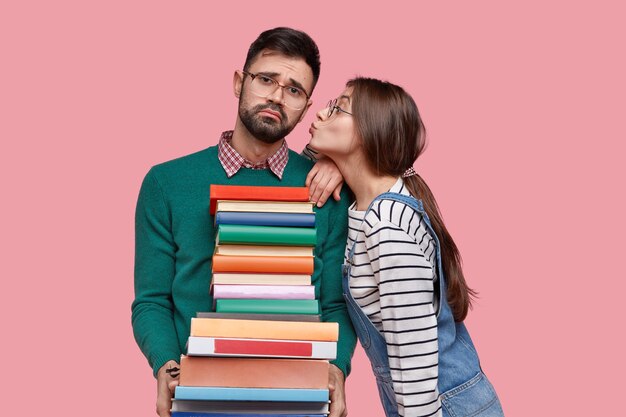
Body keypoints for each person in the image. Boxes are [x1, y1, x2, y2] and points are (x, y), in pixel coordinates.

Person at [131, 27, 356, 417]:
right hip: (199, 394)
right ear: (239, 82)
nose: (276, 96)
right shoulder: (165, 182)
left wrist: (336, 368)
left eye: (294, 90)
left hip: (300, 397)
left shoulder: (328, 190)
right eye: (266, 79)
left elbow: (337, 304)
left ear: (306, 107)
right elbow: (151, 300)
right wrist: (166, 366)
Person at [307, 77, 504, 417]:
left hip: (443, 407)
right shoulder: (365, 206)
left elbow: (416, 372)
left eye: (339, 107)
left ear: (370, 131)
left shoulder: (386, 225)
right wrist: (330, 161)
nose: (322, 112)